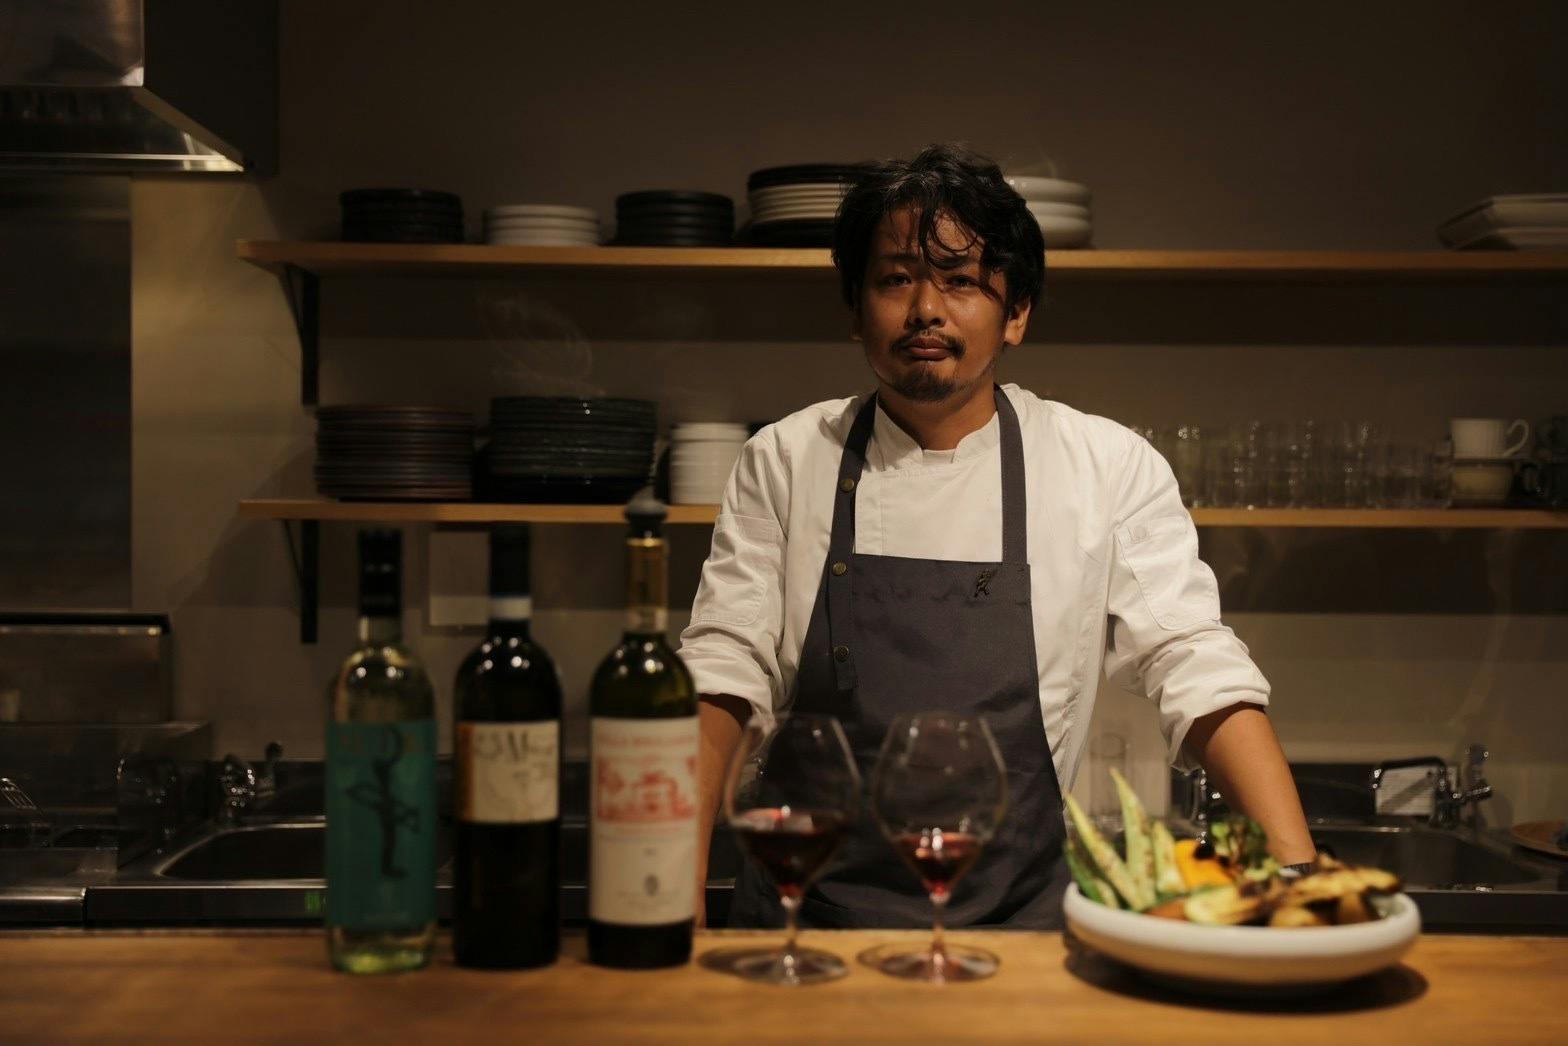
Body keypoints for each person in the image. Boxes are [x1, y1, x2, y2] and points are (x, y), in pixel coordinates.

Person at [680, 143, 1314, 929]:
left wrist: (1297, 875)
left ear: (1016, 314)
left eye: (960, 281)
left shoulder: (1103, 465)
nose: (925, 309)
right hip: (804, 928)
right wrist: (674, 878)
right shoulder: (783, 460)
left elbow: (1194, 661)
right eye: (895, 279)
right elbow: (724, 666)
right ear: (855, 311)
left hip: (1020, 934)